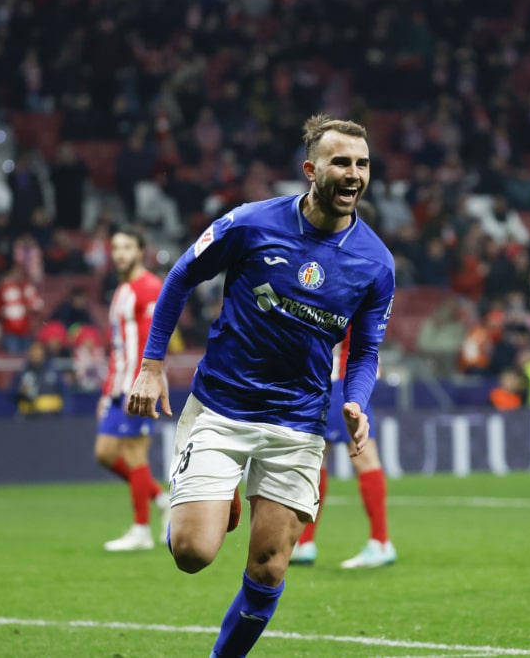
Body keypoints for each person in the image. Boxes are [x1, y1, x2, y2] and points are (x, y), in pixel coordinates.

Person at [127, 114, 394, 657]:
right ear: (310, 169)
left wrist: (356, 401)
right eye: (341, 162)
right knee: (192, 552)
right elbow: (180, 275)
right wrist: (152, 364)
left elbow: (364, 350)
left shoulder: (376, 263)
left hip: (298, 422)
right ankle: (220, 491)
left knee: (269, 568)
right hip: (221, 408)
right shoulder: (251, 224)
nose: (354, 174)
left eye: (362, 164)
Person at [94, 227, 172, 551]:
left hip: (139, 385)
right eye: (115, 247)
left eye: (127, 247)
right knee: (105, 453)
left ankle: (141, 530)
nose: (120, 253)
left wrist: (148, 381)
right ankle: (159, 497)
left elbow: (155, 340)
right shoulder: (122, 289)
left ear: (141, 251)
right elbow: (118, 346)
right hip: (119, 385)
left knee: (134, 453)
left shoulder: (150, 287)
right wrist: (108, 389)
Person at [289, 331, 396, 569]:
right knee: (317, 458)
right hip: (345, 377)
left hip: (342, 378)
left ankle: (380, 542)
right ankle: (305, 542)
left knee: (362, 457)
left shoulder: (342, 293)